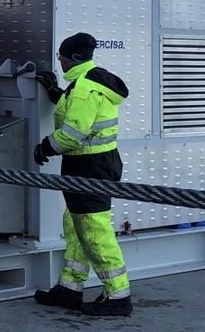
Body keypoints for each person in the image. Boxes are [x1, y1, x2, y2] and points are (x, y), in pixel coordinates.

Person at [32, 32, 133, 317]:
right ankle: (70, 289)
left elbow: (73, 134)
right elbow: (76, 110)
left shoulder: (84, 88)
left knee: (94, 231)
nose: (59, 61)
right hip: (97, 165)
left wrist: (45, 147)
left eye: (60, 57)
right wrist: (54, 92)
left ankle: (118, 297)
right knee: (76, 227)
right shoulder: (88, 81)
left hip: (89, 167)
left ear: (71, 58)